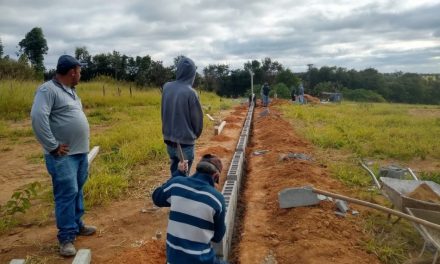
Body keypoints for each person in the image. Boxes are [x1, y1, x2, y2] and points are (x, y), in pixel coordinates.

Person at [31, 55, 96, 257]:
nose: (80, 74)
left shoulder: (72, 92)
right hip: (63, 156)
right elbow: (37, 117)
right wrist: (52, 146)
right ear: (72, 72)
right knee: (66, 194)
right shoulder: (47, 90)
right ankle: (66, 237)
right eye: (79, 70)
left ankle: (77, 225)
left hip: (79, 153)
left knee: (77, 191)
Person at [152, 154, 227, 264]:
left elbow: (156, 197)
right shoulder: (217, 199)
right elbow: (217, 237)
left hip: (173, 260)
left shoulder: (177, 184)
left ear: (197, 168)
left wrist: (178, 173)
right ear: (215, 176)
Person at [161, 56, 203, 175]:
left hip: (169, 139)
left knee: (175, 170)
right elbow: (197, 121)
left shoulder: (166, 87)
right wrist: (195, 135)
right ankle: (178, 192)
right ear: (192, 74)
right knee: (183, 177)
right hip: (185, 143)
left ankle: (172, 189)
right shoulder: (191, 93)